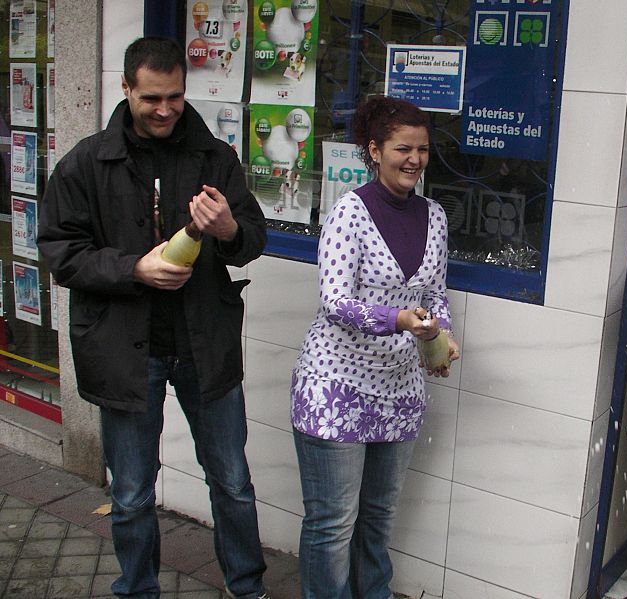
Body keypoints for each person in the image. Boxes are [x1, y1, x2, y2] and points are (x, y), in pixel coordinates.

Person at [37, 37, 269, 599]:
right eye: (152, 99)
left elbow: (254, 237)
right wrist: (132, 269)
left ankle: (248, 588)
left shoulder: (215, 157)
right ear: (126, 89)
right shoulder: (86, 163)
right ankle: (138, 590)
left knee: (232, 483)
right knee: (134, 492)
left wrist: (228, 231)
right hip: (123, 349)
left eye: (175, 98)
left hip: (203, 344)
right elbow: (58, 251)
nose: (165, 110)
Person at [290, 95, 460, 598]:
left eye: (422, 150)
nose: (414, 160)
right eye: (402, 148)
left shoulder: (435, 216)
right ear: (374, 150)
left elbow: (435, 293)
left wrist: (442, 335)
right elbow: (335, 301)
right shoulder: (349, 212)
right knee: (333, 523)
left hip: (399, 390)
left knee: (379, 519)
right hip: (335, 386)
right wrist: (400, 319)